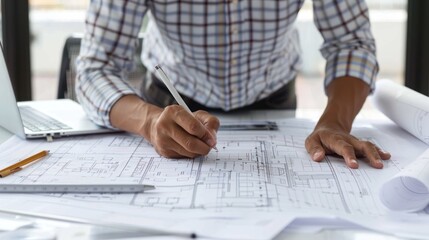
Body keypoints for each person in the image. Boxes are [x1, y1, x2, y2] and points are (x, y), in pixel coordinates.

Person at [76, 0, 391, 169]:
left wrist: (335, 122)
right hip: (168, 102)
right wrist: (149, 120)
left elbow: (351, 44)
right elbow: (95, 67)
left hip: (273, 99)